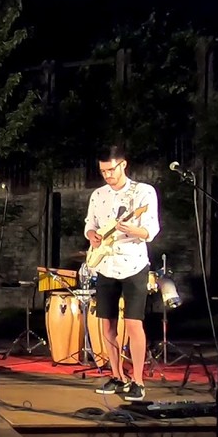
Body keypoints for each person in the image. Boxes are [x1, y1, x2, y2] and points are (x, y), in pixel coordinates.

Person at [85, 145, 160, 402]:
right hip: (106, 264)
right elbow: (90, 225)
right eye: (103, 171)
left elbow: (150, 230)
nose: (107, 175)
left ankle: (137, 380)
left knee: (133, 323)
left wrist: (131, 229)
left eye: (111, 170)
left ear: (123, 164)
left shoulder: (143, 192)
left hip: (134, 264)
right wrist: (92, 236)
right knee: (107, 324)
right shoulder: (98, 195)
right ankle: (116, 375)